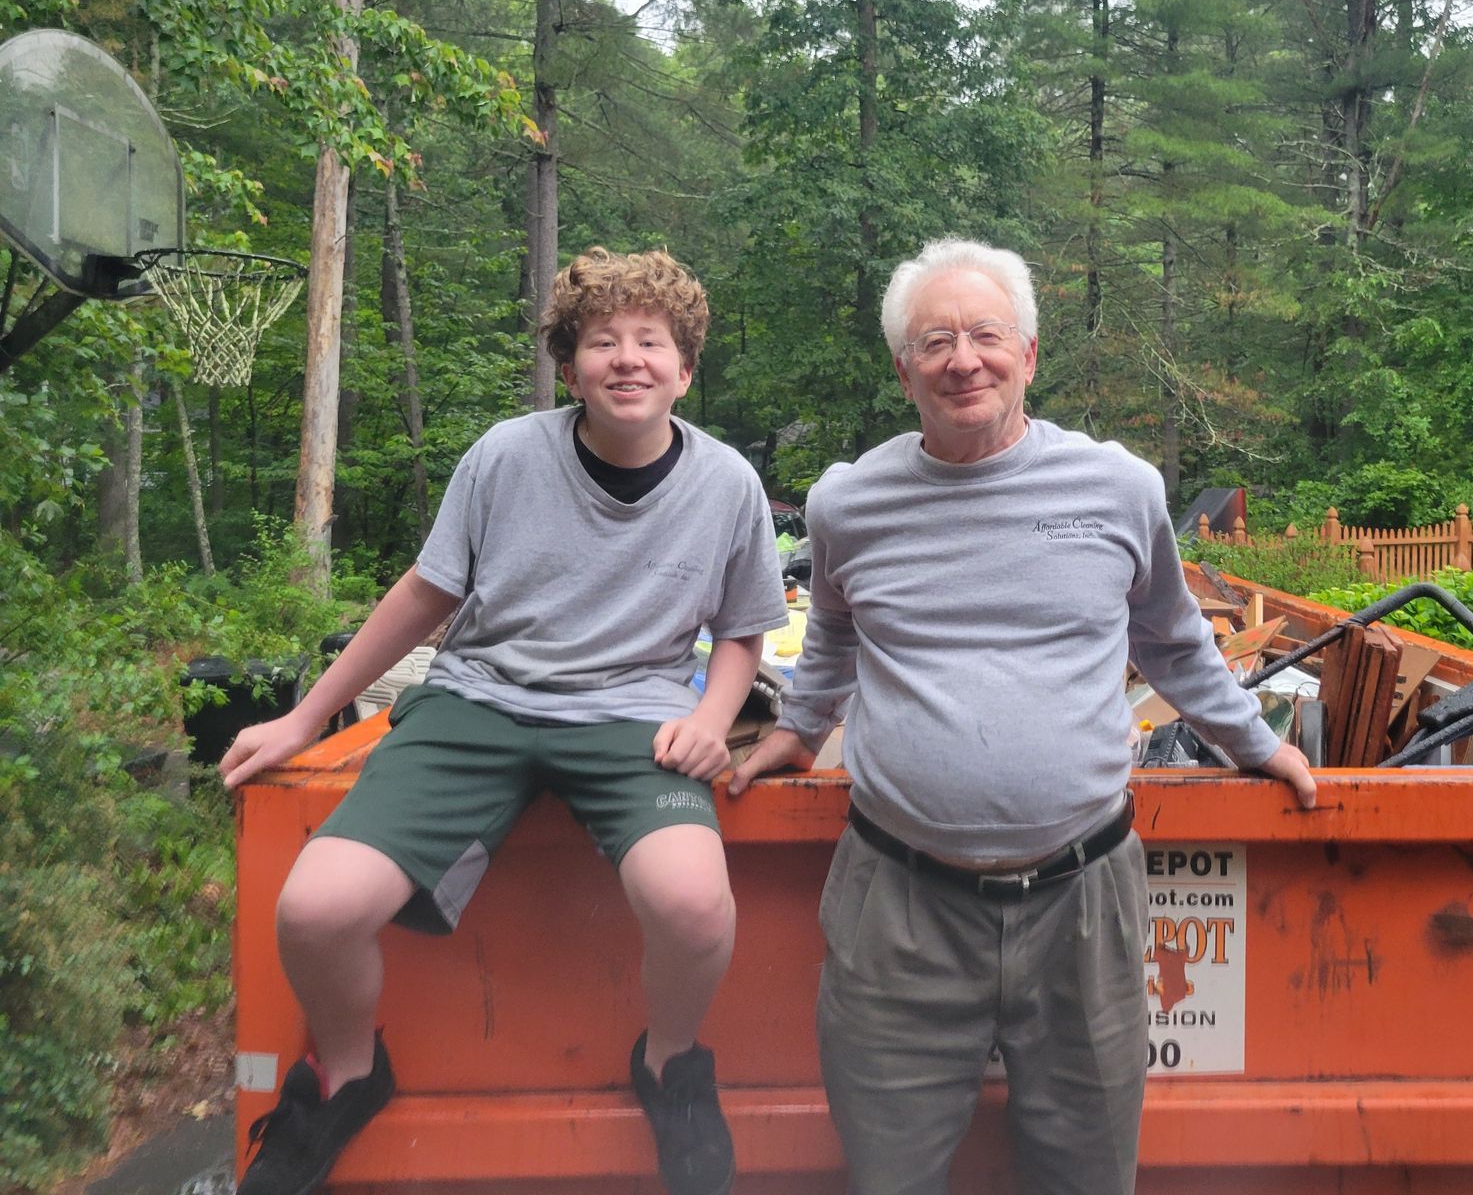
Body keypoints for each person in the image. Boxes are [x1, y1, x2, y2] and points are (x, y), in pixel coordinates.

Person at [730, 238, 1316, 1195]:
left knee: (1088, 1179)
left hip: (1084, 903)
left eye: (986, 335)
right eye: (936, 340)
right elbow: (833, 634)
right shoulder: (849, 502)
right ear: (902, 367)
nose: (964, 358)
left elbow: (1172, 641)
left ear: (1030, 355)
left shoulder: (1118, 488)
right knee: (890, 1179)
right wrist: (797, 729)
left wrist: (1255, 745)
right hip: (900, 909)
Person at [221, 247, 788, 1195]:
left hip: (633, 713)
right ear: (570, 368)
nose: (628, 359)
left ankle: (672, 1065)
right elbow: (424, 593)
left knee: (694, 907)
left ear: (685, 369)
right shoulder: (505, 455)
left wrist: (714, 713)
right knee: (315, 909)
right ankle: (350, 1072)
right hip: (478, 700)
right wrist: (308, 716)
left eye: (652, 341)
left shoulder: (728, 485)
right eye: (602, 341)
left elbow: (742, 634)